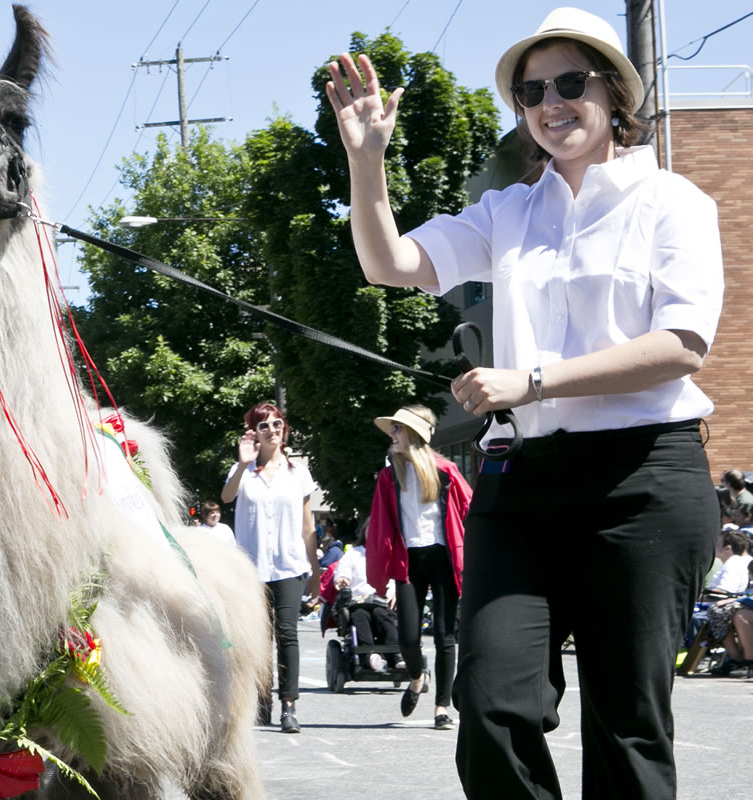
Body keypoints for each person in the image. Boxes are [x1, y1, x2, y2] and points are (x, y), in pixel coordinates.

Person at [326, 7, 723, 797]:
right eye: (532, 90)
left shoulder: (672, 203)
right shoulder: (509, 213)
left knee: (627, 723)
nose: (551, 102)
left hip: (645, 480)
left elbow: (682, 346)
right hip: (526, 484)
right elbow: (389, 263)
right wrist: (366, 161)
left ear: (614, 93)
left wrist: (532, 379)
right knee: (491, 705)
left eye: (571, 82)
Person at [366, 406, 470, 731]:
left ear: (414, 433)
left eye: (398, 429)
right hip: (408, 561)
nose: (392, 434)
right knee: (408, 637)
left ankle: (442, 707)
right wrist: (379, 573)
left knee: (445, 635)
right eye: (393, 428)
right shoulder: (388, 476)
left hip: (442, 557)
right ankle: (416, 676)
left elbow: (470, 508)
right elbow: (381, 526)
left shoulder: (446, 471)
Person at [221, 402, 320, 734]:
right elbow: (226, 497)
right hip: (250, 569)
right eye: (264, 426)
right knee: (259, 639)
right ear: (254, 433)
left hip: (290, 566)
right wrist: (241, 463)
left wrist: (316, 572)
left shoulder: (299, 473)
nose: (273, 430)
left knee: (288, 634)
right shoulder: (244, 472)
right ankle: (262, 698)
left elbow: (308, 528)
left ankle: (288, 705)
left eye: (278, 424)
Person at [333, 518, 403, 673]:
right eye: (369, 530)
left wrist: (395, 592)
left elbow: (395, 578)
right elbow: (342, 573)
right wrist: (342, 579)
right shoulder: (353, 554)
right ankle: (368, 655)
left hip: (382, 601)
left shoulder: (389, 553)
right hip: (358, 601)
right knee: (360, 616)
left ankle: (396, 655)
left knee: (382, 615)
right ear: (363, 532)